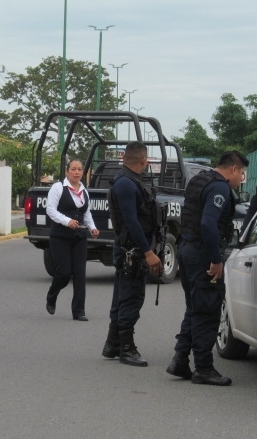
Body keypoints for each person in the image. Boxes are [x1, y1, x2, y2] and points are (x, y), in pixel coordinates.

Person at [167, 150, 249, 386]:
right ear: (233, 169)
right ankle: (203, 368)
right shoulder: (220, 188)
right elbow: (208, 223)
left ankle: (180, 359)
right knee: (207, 311)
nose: (240, 178)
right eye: (241, 173)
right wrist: (216, 260)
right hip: (202, 254)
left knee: (194, 308)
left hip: (187, 250)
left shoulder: (198, 180)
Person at [101, 141, 163, 367]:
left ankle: (112, 344)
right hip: (133, 251)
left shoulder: (129, 180)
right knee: (131, 298)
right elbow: (132, 222)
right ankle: (126, 348)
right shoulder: (126, 184)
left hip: (130, 249)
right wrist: (148, 252)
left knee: (122, 296)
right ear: (144, 161)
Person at [45, 159, 99, 321]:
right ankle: (52, 295)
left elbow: (86, 213)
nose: (77, 172)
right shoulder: (58, 188)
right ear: (67, 171)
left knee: (80, 274)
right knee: (64, 272)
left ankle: (79, 311)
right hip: (60, 236)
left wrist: (92, 228)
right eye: (73, 169)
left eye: (79, 169)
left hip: (79, 238)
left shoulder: (84, 190)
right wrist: (67, 221)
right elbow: (50, 210)